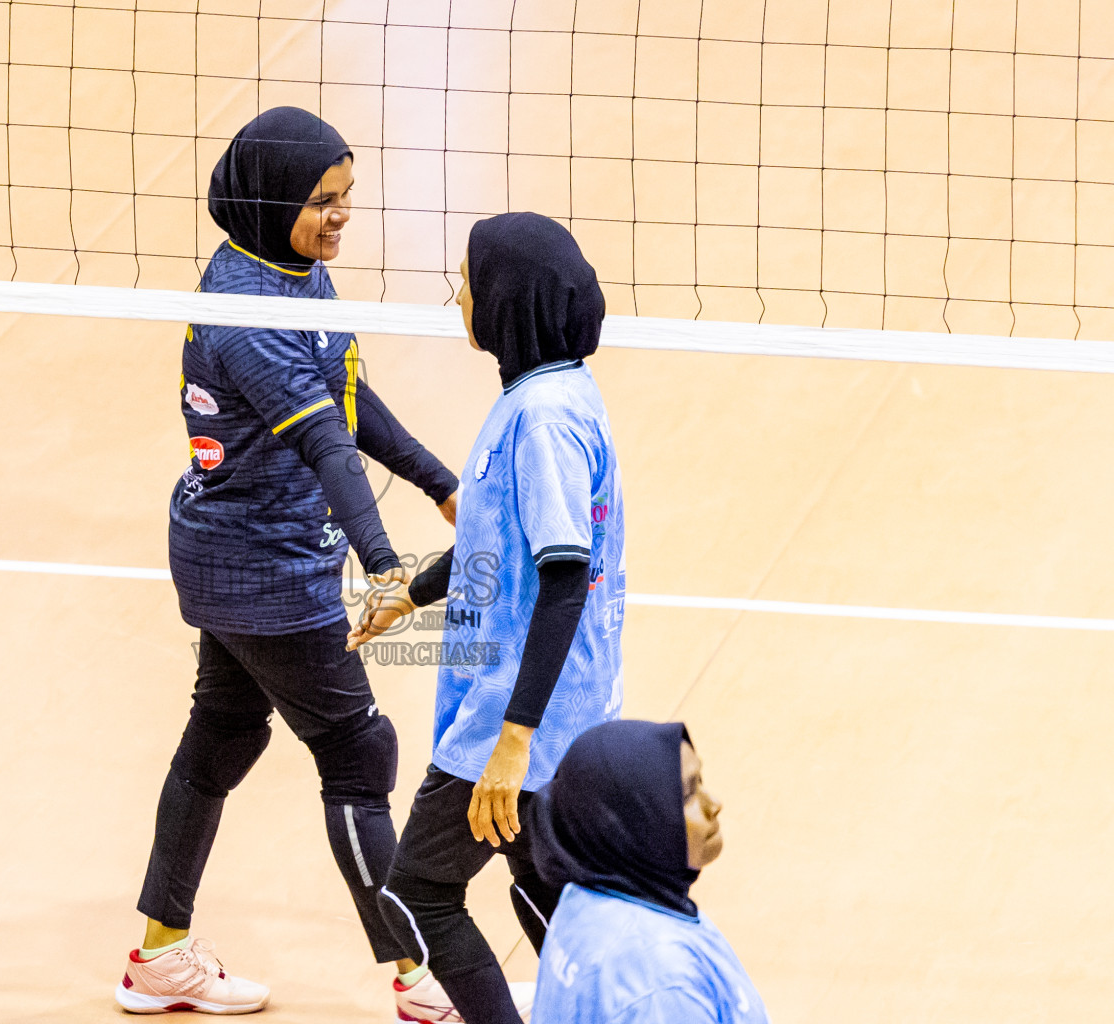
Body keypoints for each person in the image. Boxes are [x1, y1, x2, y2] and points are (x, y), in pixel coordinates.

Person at [117, 106, 461, 1015]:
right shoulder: (247, 315)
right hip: (265, 570)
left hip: (231, 556)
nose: (340, 216)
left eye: (348, 197)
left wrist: (437, 481)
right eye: (323, 201)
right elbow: (327, 446)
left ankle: (160, 956)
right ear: (272, 201)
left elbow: (341, 387)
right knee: (357, 753)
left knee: (220, 739)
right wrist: (386, 564)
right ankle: (424, 976)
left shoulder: (291, 267)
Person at [347, 212, 623, 1023]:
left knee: (415, 896)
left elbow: (566, 578)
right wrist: (416, 592)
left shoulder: (542, 421)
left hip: (514, 719)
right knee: (547, 897)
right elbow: (502, 541)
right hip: (553, 715)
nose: (457, 298)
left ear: (506, 301)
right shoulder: (553, 395)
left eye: (465, 283)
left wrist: (513, 739)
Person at [527, 721, 769, 1023]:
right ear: (630, 825)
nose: (714, 804)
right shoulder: (662, 986)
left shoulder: (586, 893)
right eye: (688, 794)